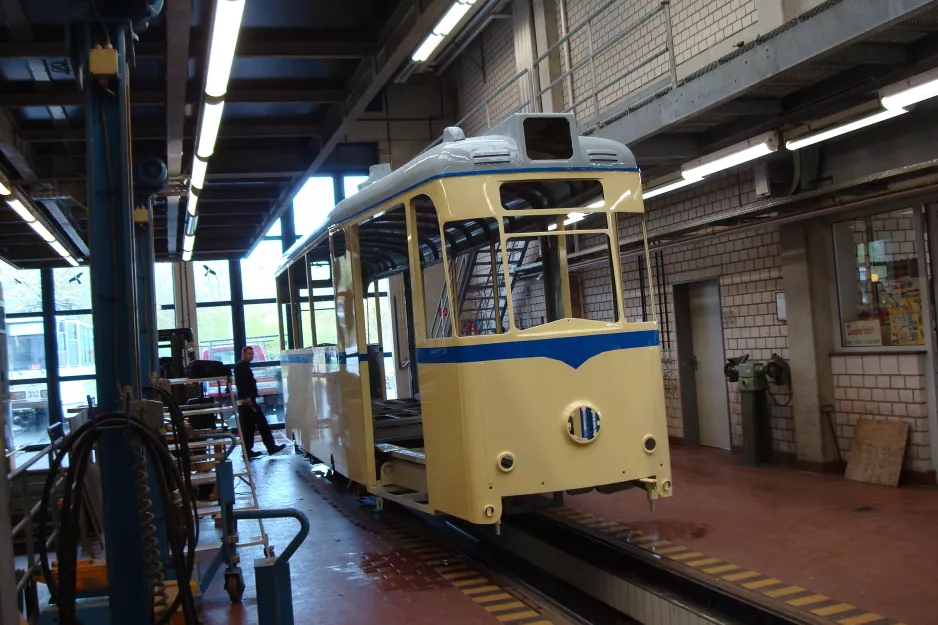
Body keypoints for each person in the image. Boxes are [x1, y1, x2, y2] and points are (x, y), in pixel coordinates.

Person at [233, 346, 286, 459]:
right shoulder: (241, 367)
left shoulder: (243, 367)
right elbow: (241, 383)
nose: (251, 356)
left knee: (249, 427)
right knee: (261, 424)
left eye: (252, 354)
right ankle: (269, 447)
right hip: (247, 402)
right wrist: (248, 398)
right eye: (249, 353)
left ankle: (248, 451)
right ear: (243, 354)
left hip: (247, 401)